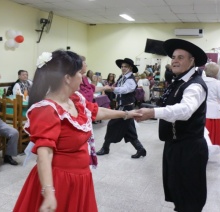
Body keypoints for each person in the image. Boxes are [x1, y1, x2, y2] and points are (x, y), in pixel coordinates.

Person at [13, 50, 141, 212]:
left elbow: (96, 112)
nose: (83, 77)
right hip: (59, 180)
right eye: (80, 73)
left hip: (80, 176)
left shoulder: (75, 99)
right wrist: (49, 192)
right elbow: (45, 154)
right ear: (67, 78)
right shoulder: (48, 109)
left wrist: (127, 114)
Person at [136, 38, 209, 211]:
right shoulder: (178, 81)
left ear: (192, 61)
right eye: (174, 57)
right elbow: (166, 106)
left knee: (190, 193)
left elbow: (184, 110)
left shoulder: (195, 85)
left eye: (181, 57)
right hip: (174, 144)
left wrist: (153, 113)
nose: (175, 60)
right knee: (177, 188)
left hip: (189, 148)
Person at [96, 58, 147, 158]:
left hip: (126, 108)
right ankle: (140, 149)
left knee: (111, 125)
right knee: (130, 130)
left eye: (125, 67)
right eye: (122, 66)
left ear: (130, 68)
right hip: (123, 107)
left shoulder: (131, 80)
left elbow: (125, 90)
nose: (123, 68)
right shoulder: (122, 77)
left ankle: (105, 148)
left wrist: (113, 89)